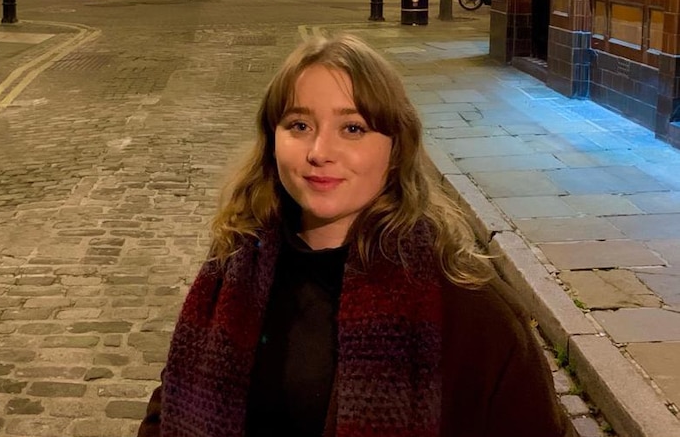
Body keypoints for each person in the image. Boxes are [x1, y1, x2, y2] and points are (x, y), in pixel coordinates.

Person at [137, 35, 573, 437]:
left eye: (353, 129)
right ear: (272, 140)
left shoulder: (470, 311)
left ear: (396, 147)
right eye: (299, 125)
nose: (319, 153)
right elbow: (169, 409)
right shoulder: (232, 271)